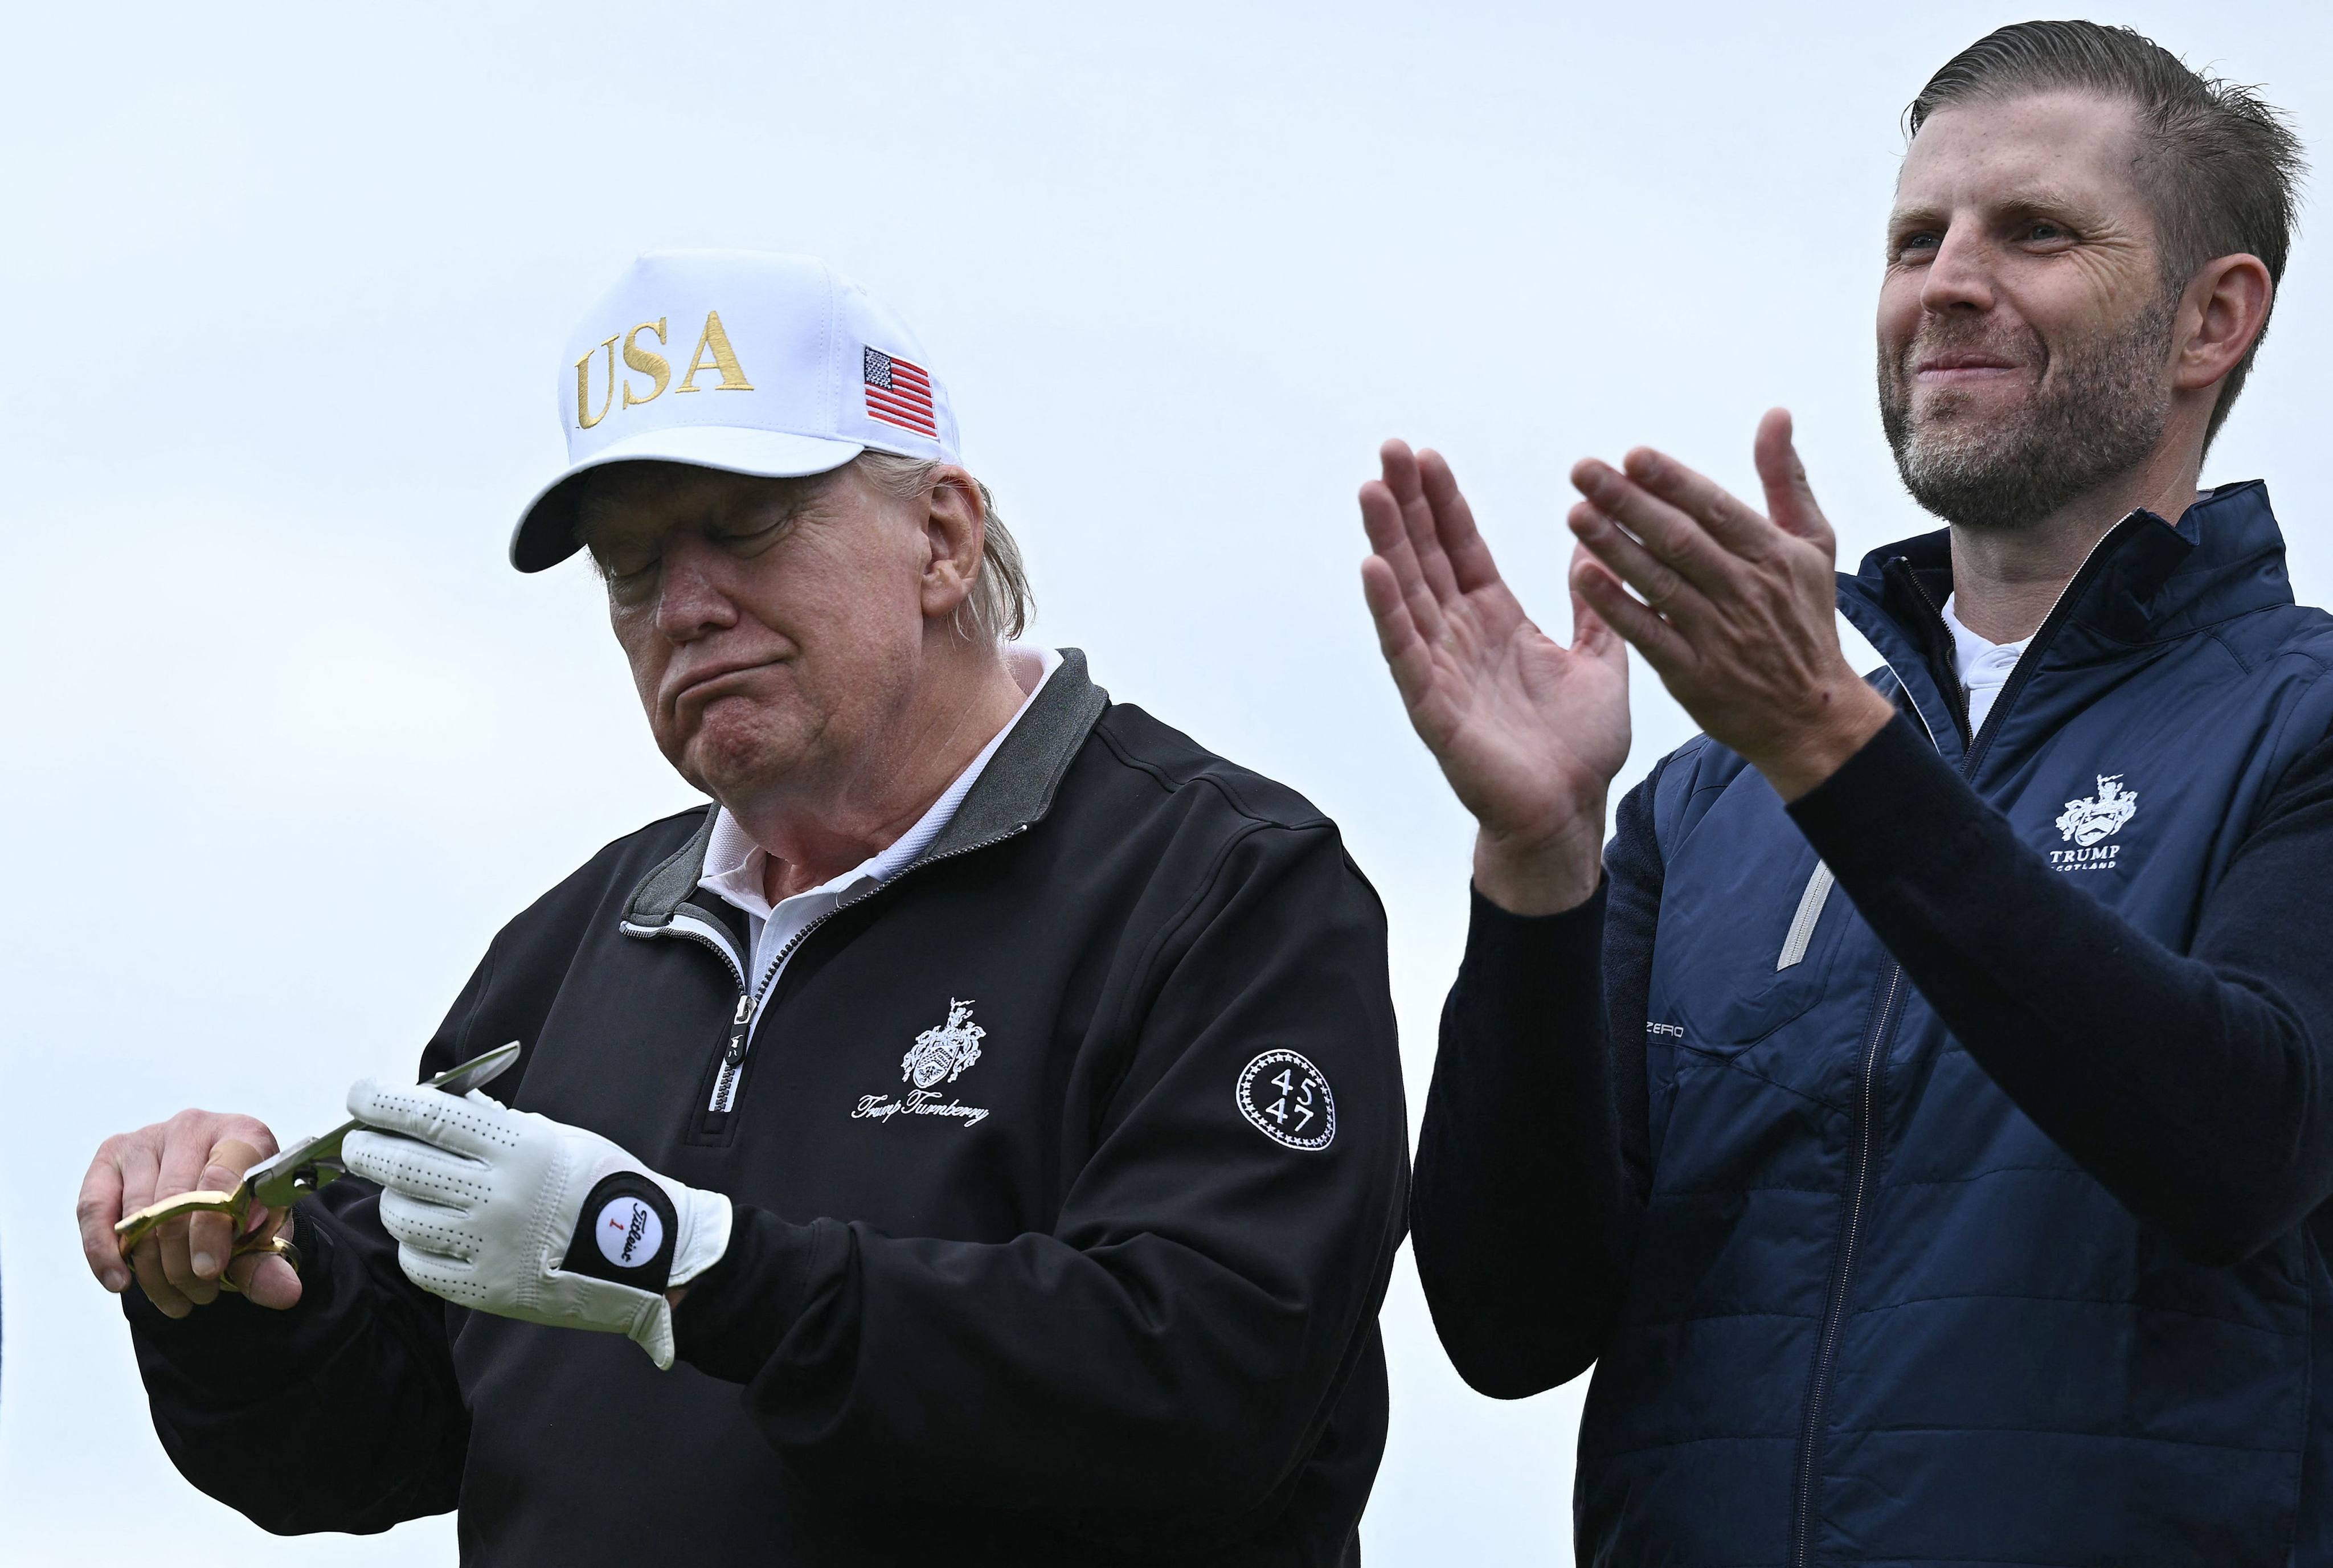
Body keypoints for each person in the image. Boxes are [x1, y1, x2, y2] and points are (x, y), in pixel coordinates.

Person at [80, 250, 1408, 1565]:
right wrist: (243, 1291)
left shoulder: (1220, 883)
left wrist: (683, 1262)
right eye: (631, 566)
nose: (686, 608)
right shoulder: (568, 948)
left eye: (746, 526)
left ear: (941, 538)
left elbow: (1206, 1397)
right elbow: (386, 1437)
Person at [1363, 21, 2333, 1566]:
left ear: (2213, 318)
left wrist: (1834, 750)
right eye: (1914, 239)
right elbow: (1510, 1324)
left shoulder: (2307, 719)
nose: (1947, 281)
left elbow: (2241, 1152)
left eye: (2035, 233)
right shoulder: (1704, 804)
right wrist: (1537, 862)